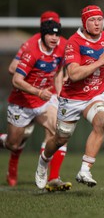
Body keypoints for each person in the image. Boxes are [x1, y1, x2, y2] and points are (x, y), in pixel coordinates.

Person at [35, 5, 104, 189]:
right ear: (84, 23)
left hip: (96, 94)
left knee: (101, 122)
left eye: (100, 19)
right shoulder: (74, 42)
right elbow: (74, 74)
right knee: (61, 138)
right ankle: (44, 159)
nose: (97, 23)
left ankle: (85, 169)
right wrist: (99, 62)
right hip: (73, 98)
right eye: (92, 20)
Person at [0, 19, 71, 191]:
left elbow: (57, 74)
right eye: (50, 34)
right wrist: (38, 91)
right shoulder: (31, 51)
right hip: (21, 103)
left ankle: (46, 171)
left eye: (57, 34)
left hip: (43, 102)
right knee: (13, 144)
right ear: (43, 34)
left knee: (61, 132)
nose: (54, 38)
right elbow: (16, 79)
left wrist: (61, 94)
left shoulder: (61, 48)